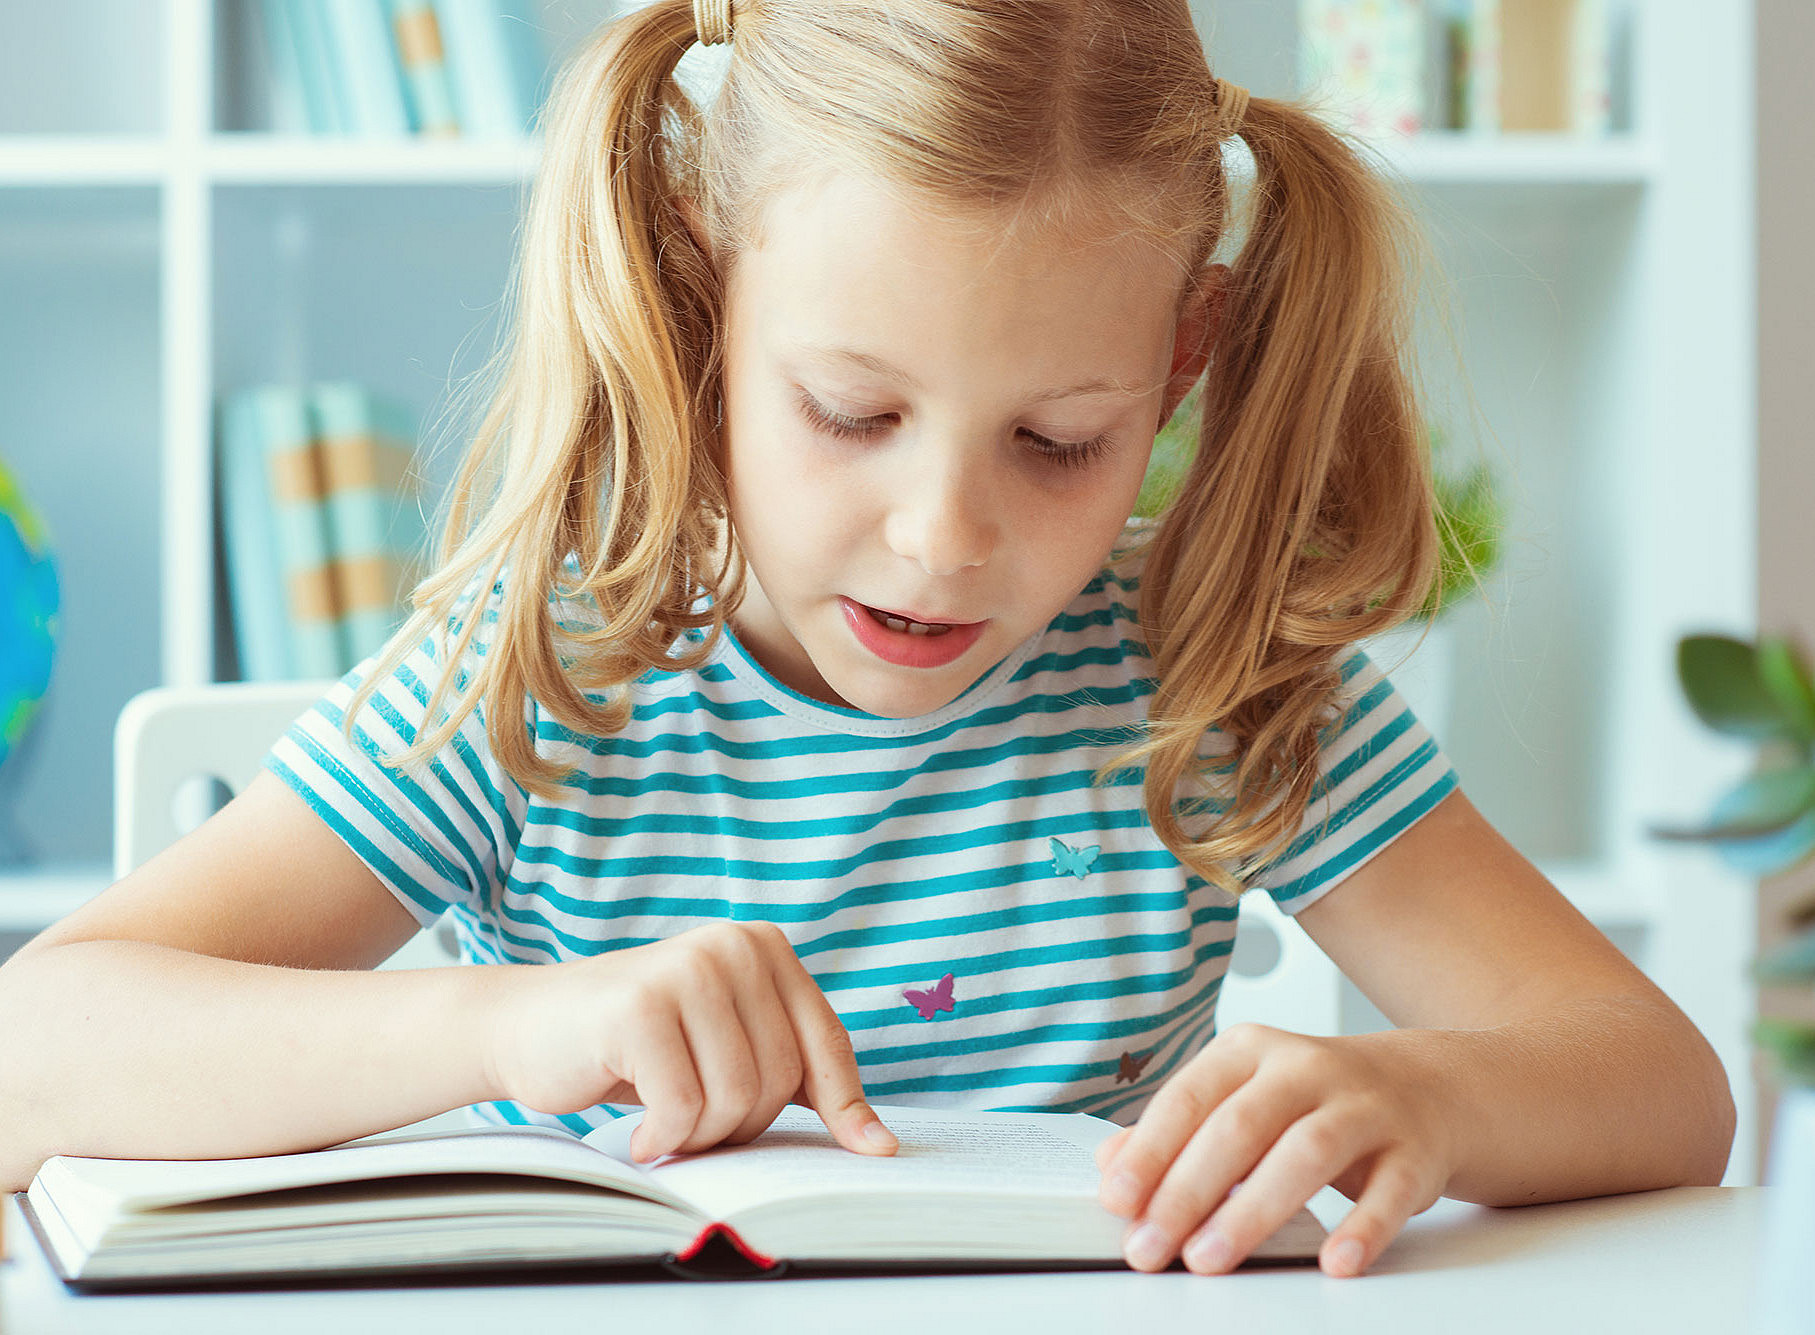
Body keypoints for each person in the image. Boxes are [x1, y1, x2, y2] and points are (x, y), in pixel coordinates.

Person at [0, 0, 1734, 1281]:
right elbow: (38, 1047)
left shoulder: (1206, 680)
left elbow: (1663, 1087)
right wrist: (508, 1026)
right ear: (705, 299)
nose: (945, 536)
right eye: (847, 412)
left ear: (1184, 362)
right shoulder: (542, 672)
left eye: (1059, 442)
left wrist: (1427, 1094)